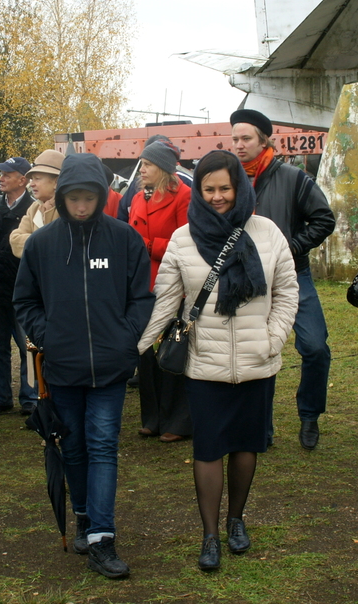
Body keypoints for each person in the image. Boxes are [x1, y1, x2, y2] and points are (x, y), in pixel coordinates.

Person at [139, 150, 298, 571]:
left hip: (256, 359)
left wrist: (272, 339)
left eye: (224, 188)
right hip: (205, 363)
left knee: (246, 445)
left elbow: (286, 293)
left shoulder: (267, 233)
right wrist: (136, 347)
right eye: (208, 189)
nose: (216, 196)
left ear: (239, 187)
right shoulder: (183, 238)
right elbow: (166, 302)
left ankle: (236, 520)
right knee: (208, 448)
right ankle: (210, 534)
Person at [13, 152, 154, 580]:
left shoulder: (124, 240)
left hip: (111, 368)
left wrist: (125, 338)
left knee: (103, 447)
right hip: (63, 366)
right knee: (72, 446)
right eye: (73, 198)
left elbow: (142, 299)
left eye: (88, 198)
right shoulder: (42, 244)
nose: (80, 206)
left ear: (99, 196)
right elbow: (25, 301)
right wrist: (50, 335)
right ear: (63, 195)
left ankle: (102, 539)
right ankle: (83, 516)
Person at [230, 109, 335, 450]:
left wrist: (290, 247)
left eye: (246, 138)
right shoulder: (230, 181)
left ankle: (310, 417)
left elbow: (323, 219)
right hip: (250, 279)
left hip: (293, 275)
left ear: (263, 140)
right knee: (259, 351)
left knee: (315, 347)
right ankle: (261, 426)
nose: (239, 144)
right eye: (234, 139)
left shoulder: (292, 178)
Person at [128, 138, 193, 443]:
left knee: (173, 351)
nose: (142, 169)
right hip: (144, 286)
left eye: (148, 164)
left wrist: (151, 246)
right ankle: (151, 418)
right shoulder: (139, 197)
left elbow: (189, 242)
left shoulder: (184, 197)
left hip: (173, 287)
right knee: (146, 354)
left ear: (164, 169)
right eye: (142, 163)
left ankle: (177, 421)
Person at [0, 156, 37, 417]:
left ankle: (30, 397)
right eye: (0, 174)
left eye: (7, 174)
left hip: (22, 290)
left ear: (23, 180)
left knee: (28, 346)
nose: (1, 178)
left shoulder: (34, 209)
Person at [9, 149, 64, 258]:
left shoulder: (68, 208)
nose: (32, 184)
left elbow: (61, 246)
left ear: (56, 182)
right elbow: (15, 240)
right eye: (32, 179)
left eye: (37, 179)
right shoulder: (35, 207)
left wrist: (32, 241)